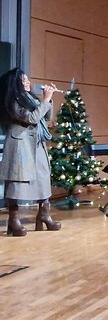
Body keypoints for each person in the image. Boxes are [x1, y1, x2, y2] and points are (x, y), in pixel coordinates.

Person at [0, 68, 61, 236]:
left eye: (27, 79)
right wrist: (46, 100)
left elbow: (46, 117)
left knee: (43, 177)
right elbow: (31, 118)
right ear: (16, 84)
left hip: (37, 143)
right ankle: (14, 220)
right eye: (24, 80)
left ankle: (44, 214)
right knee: (17, 182)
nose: (28, 82)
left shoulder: (30, 98)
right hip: (20, 145)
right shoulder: (12, 101)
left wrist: (48, 99)